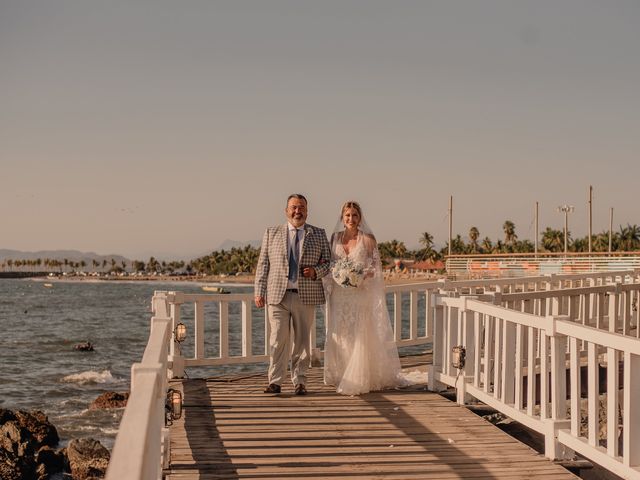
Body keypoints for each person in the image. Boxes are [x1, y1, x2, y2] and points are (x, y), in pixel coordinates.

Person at [323, 201, 404, 395]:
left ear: (360, 218)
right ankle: (341, 372)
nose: (351, 219)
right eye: (348, 215)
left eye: (355, 215)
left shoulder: (368, 239)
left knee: (358, 332)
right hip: (339, 294)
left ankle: (359, 375)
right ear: (342, 218)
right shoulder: (334, 238)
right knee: (340, 332)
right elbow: (329, 264)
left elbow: (375, 269)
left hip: (360, 294)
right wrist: (339, 274)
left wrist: (360, 275)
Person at [254, 194, 331, 395]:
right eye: (294, 207)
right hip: (277, 296)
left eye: (302, 208)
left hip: (306, 295)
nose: (298, 211)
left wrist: (316, 272)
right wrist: (258, 291)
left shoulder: (318, 234)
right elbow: (263, 264)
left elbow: (328, 263)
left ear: (307, 211)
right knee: (277, 340)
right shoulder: (271, 233)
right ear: (286, 210)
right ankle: (275, 381)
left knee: (303, 343)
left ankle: (300, 382)